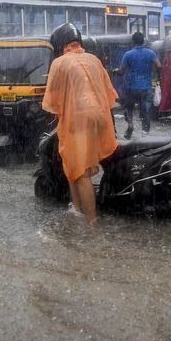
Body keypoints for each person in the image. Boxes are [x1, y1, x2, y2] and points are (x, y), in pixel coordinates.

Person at [42, 23, 119, 223]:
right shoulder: (93, 59)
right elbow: (108, 91)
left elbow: (53, 98)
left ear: (60, 44)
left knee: (81, 171)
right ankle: (76, 209)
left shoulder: (59, 63)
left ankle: (91, 223)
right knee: (72, 164)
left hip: (78, 118)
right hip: (100, 116)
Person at [113, 31, 161, 138]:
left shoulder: (128, 54)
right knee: (146, 111)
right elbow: (159, 65)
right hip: (146, 88)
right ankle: (145, 134)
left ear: (133, 42)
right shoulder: (151, 53)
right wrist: (158, 77)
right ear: (143, 41)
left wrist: (115, 71)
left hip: (131, 87)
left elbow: (121, 71)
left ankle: (130, 125)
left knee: (128, 108)